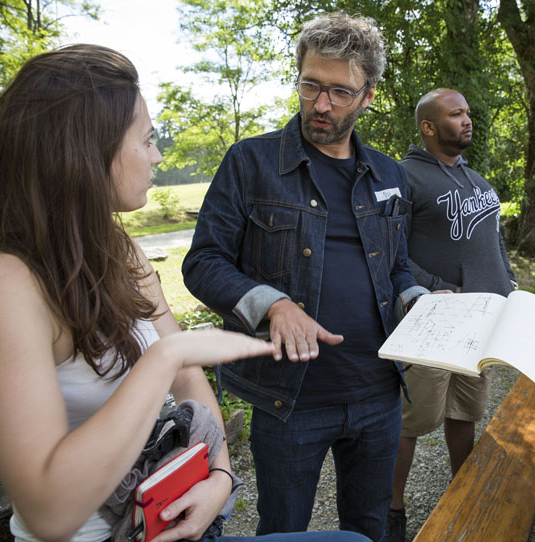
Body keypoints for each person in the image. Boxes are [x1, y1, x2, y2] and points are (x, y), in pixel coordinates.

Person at [0, 44, 369, 542]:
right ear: (86, 153)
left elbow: (187, 378)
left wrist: (220, 475)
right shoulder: (3, 282)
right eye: (147, 140)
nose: (157, 156)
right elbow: (49, 514)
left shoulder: (120, 250)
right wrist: (167, 355)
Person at [182, 12, 429, 542]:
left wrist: (417, 299)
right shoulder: (250, 162)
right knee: (283, 531)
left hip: (378, 393)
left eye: (340, 92)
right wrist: (274, 304)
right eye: (311, 85)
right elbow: (203, 263)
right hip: (288, 398)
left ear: (367, 96)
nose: (321, 104)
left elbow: (396, 266)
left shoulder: (389, 173)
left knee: (368, 527)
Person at [385, 88, 517, 542]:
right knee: (410, 421)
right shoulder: (405, 176)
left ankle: (465, 490)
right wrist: (436, 288)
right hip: (435, 321)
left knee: (466, 411)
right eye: (455, 113)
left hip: (483, 320)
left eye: (467, 111)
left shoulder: (476, 179)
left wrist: (509, 281)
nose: (467, 119)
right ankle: (392, 512)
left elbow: (493, 240)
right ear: (428, 126)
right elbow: (389, 248)